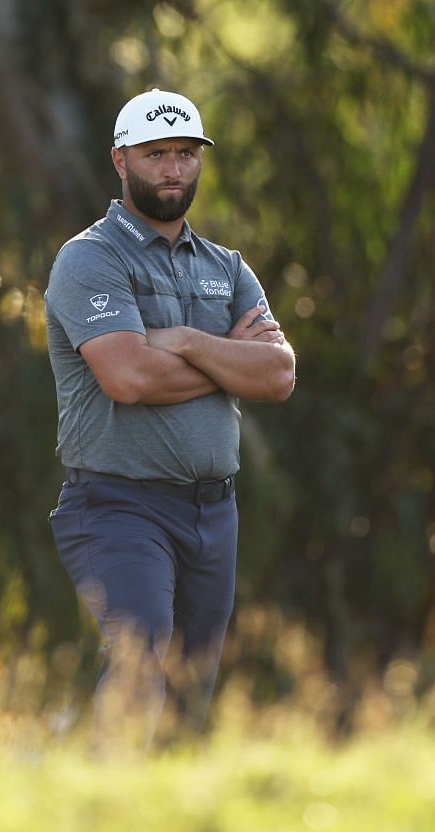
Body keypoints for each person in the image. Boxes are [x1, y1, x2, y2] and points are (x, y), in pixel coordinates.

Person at [44, 87, 297, 735]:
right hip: (118, 504)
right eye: (156, 154)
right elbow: (127, 376)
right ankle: (106, 801)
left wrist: (182, 342)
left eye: (186, 153)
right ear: (120, 161)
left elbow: (279, 372)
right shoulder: (90, 258)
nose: (173, 168)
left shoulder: (227, 268)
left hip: (214, 511)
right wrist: (224, 363)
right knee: (141, 650)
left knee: (191, 688)